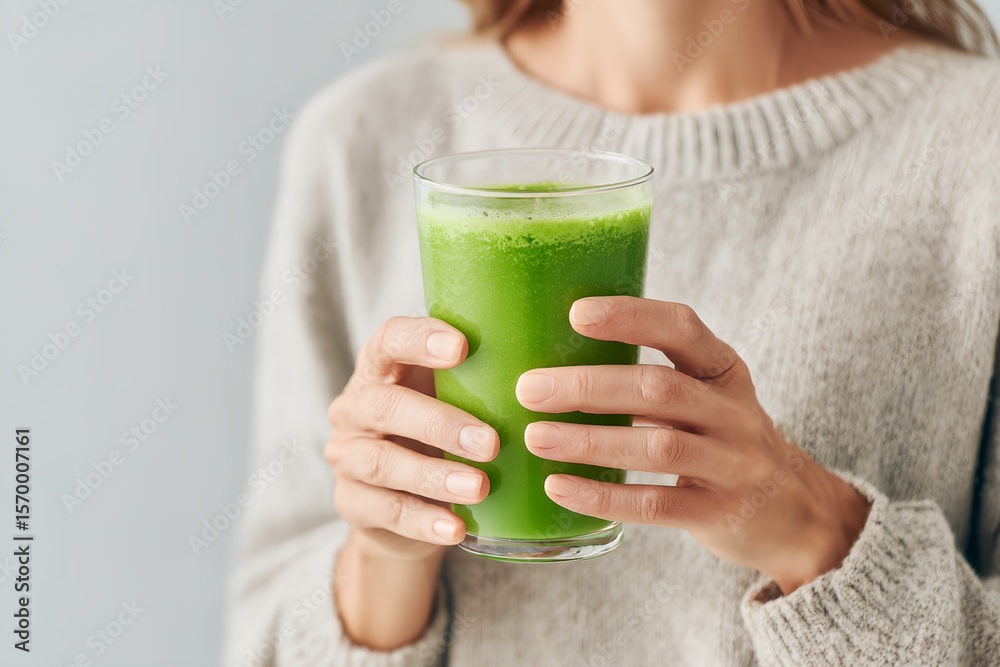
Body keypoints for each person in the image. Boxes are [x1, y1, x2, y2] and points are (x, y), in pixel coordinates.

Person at [223, 0, 1000, 664]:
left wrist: (818, 533)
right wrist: (384, 558)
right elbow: (260, 639)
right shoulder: (365, 139)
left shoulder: (977, 151)